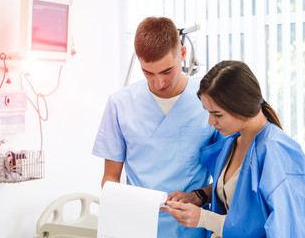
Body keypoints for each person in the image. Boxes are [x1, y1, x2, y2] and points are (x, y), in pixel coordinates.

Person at [92, 17, 222, 237]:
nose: (158, 83)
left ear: (182, 54)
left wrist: (197, 196)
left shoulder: (211, 100)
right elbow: (110, 178)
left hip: (191, 229)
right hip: (135, 227)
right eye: (148, 73)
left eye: (166, 71)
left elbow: (227, 179)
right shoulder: (120, 103)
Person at [161, 60, 305, 237]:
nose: (210, 122)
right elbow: (238, 193)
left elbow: (282, 227)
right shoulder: (232, 143)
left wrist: (204, 218)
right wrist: (199, 196)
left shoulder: (277, 150)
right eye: (208, 112)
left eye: (217, 114)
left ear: (241, 106)